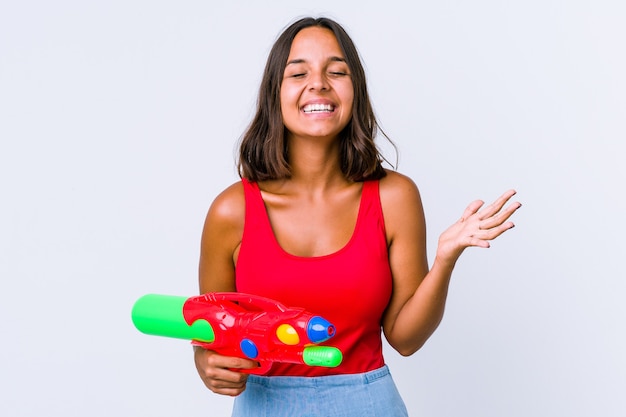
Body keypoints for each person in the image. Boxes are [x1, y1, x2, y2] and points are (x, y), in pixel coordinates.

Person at [193, 16, 521, 417]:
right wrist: (206, 364)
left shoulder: (394, 197)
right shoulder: (231, 211)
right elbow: (212, 337)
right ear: (274, 94)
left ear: (356, 91)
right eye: (299, 72)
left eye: (337, 71)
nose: (319, 83)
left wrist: (445, 259)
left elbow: (405, 338)